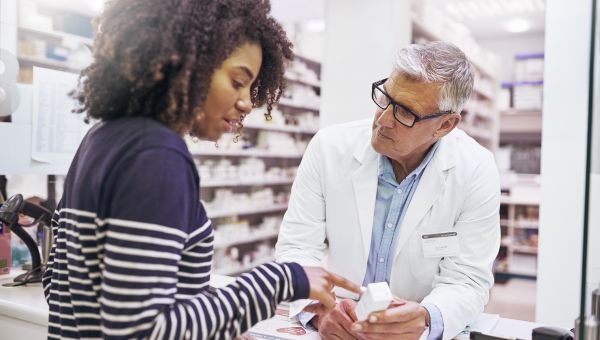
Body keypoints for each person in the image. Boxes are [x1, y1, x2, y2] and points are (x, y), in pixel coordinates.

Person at [41, 0, 360, 339]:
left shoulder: (103, 137)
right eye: (237, 81)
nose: (247, 102)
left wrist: (216, 322)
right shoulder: (158, 156)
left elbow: (60, 284)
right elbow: (139, 331)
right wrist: (281, 280)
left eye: (251, 89)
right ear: (185, 62)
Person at [275, 41, 501, 340]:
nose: (382, 121)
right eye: (385, 98)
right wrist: (316, 308)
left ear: (445, 125)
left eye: (405, 113)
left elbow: (468, 279)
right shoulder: (329, 147)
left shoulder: (475, 169)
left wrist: (427, 317)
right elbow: (297, 246)